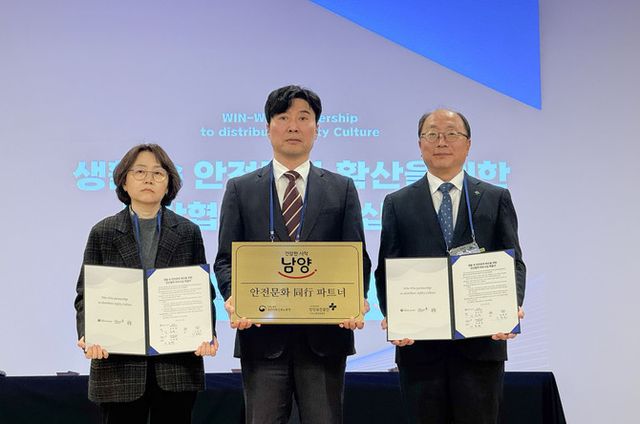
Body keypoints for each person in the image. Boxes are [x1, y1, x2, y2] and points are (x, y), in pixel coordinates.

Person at [214, 85, 371, 424]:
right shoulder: (241, 188)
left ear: (317, 128)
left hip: (325, 339)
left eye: (303, 118)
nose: (293, 127)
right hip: (262, 338)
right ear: (268, 127)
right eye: (283, 118)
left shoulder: (341, 188)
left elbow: (356, 256)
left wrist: (355, 299)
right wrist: (233, 296)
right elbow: (226, 259)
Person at [375, 109, 526, 424]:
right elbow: (387, 267)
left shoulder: (495, 197)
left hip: (482, 346)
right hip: (419, 349)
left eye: (451, 133)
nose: (441, 141)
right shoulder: (398, 202)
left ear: (468, 144)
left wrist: (509, 309)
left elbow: (513, 262)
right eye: (432, 134)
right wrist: (396, 318)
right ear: (420, 144)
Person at [74, 144, 218, 424]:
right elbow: (85, 295)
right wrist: (88, 333)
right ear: (124, 182)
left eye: (158, 173)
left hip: (177, 365)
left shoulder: (188, 231)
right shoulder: (103, 232)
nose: (149, 179)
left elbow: (202, 292)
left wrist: (206, 332)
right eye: (139, 172)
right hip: (118, 366)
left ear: (169, 184)